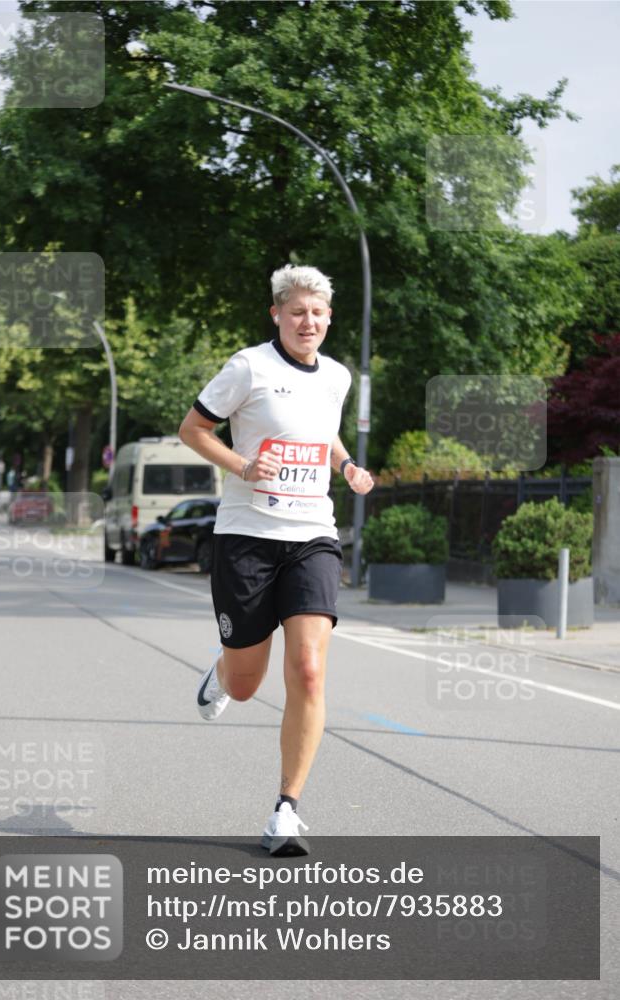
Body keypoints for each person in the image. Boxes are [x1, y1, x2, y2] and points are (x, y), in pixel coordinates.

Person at [179, 264, 374, 856]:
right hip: (246, 537)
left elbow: (324, 434)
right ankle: (221, 672)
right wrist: (243, 466)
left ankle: (286, 810)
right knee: (245, 684)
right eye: (296, 312)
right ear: (277, 316)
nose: (307, 321)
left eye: (317, 312)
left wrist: (344, 466)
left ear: (329, 317)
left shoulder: (338, 377)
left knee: (310, 670)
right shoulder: (249, 367)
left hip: (313, 534)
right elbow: (193, 429)